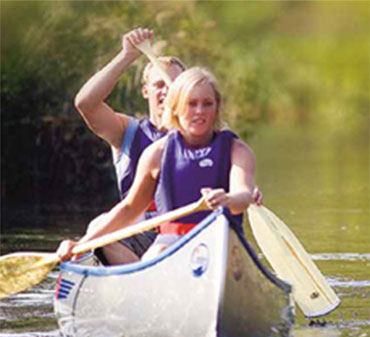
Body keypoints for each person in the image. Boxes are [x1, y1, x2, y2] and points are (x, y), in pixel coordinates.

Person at [58, 67, 261, 263]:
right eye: (192, 104)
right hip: (172, 241)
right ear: (176, 107)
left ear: (217, 107)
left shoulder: (237, 150)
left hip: (223, 240)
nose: (200, 111)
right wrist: (81, 244)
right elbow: (130, 208)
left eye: (207, 103)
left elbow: (243, 196)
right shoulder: (156, 154)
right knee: (154, 255)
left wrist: (227, 199)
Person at [75, 28, 186, 264]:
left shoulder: (203, 136)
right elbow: (86, 103)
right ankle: (143, 283)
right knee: (99, 226)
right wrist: (127, 56)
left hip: (188, 232)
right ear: (146, 92)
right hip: (140, 234)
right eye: (159, 85)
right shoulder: (128, 131)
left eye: (174, 85)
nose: (167, 90)